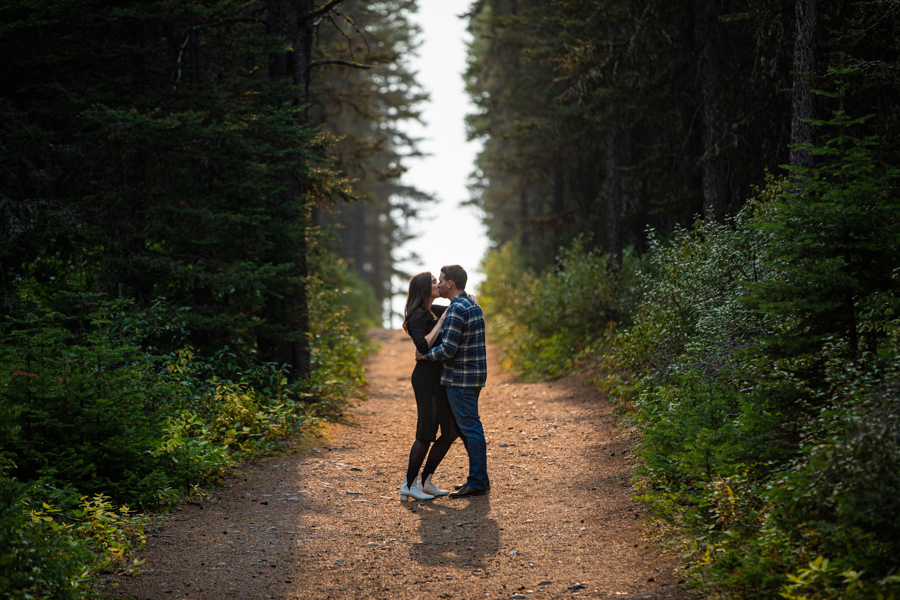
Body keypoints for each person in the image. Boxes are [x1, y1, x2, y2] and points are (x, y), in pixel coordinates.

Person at [417, 264, 489, 498]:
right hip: (473, 376)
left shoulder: (457, 309)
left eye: (441, 280)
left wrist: (425, 355)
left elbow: (448, 349)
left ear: (450, 284)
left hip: (460, 378)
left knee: (471, 428)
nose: (438, 283)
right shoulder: (470, 303)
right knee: (468, 428)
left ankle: (478, 481)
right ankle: (478, 478)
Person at [400, 272, 461, 501]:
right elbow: (423, 346)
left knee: (451, 431)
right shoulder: (417, 315)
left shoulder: (432, 311)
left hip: (440, 378)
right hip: (426, 379)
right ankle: (408, 484)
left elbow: (454, 306)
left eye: (439, 280)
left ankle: (425, 481)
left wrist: (470, 299)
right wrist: (442, 322)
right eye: (434, 282)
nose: (438, 284)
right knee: (426, 433)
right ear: (425, 288)